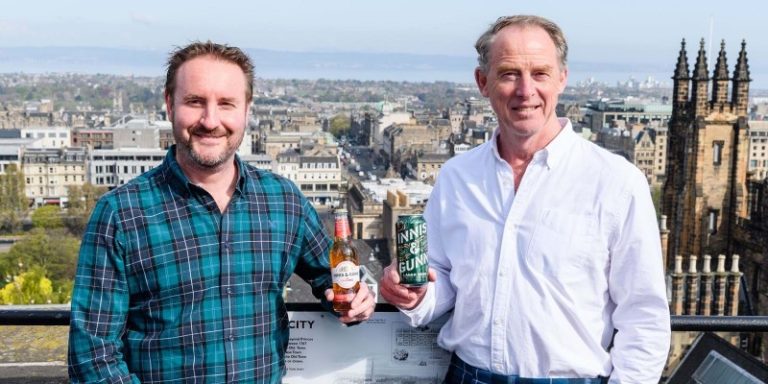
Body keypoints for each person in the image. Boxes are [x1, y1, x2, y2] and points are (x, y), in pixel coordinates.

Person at [380, 15, 670, 383]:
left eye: (540, 73)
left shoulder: (616, 182)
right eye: (509, 73)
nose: (525, 90)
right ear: (482, 82)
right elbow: (443, 279)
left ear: (562, 79)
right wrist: (413, 293)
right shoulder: (457, 177)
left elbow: (644, 317)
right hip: (468, 375)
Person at [68, 41, 376, 383]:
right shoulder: (120, 214)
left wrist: (356, 299)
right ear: (170, 105)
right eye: (195, 102)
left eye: (226, 104)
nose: (210, 120)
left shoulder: (284, 201)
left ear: (247, 110)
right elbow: (92, 356)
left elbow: (333, 278)